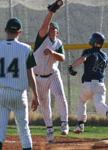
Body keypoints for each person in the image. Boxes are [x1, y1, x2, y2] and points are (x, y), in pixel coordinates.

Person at [0, 17, 39, 150]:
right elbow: (30, 74)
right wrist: (35, 95)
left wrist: (1, 84)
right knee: (24, 129)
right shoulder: (26, 49)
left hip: (1, 93)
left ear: (5, 30)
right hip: (19, 94)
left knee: (0, 130)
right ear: (19, 32)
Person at [33, 0, 69, 142]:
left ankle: (64, 123)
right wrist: (52, 11)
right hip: (39, 77)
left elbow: (63, 58)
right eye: (50, 27)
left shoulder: (58, 43)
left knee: (60, 95)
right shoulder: (42, 38)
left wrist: (52, 53)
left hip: (53, 75)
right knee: (45, 103)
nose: (51, 29)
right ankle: (49, 128)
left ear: (57, 32)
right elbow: (44, 26)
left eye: (53, 28)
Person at [68, 32, 108, 134]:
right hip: (100, 85)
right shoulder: (105, 55)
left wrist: (71, 67)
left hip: (88, 85)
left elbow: (83, 59)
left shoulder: (89, 51)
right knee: (99, 105)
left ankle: (80, 124)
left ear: (93, 42)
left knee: (82, 101)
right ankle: (107, 111)